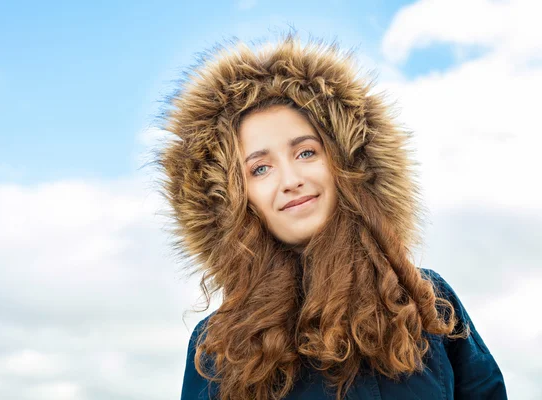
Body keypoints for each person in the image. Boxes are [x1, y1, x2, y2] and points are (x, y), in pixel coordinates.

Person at [154, 32, 507, 399]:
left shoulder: (426, 301)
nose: (290, 180)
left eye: (306, 153)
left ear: (346, 163)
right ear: (232, 199)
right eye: (260, 169)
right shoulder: (218, 344)